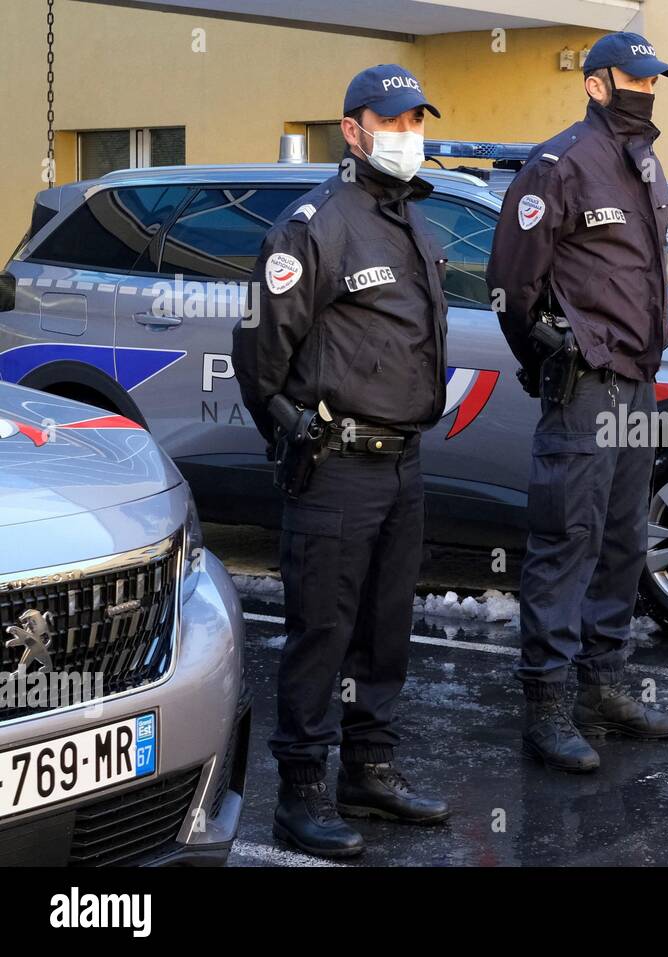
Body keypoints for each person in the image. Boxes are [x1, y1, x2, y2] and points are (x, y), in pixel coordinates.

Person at [233, 64, 451, 857]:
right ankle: (301, 791)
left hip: (403, 463)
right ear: (351, 131)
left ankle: (371, 767)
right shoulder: (312, 225)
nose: (406, 134)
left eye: (414, 120)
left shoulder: (411, 222)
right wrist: (292, 435)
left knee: (386, 627)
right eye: (390, 121)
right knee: (322, 629)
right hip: (337, 464)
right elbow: (259, 353)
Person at [486, 33, 668, 774]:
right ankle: (547, 704)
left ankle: (604, 683)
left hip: (638, 381)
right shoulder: (559, 164)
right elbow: (511, 283)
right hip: (586, 387)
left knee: (623, 536)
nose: (647, 88)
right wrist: (551, 353)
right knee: (567, 539)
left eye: (654, 78)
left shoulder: (644, 162)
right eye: (634, 78)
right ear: (597, 83)